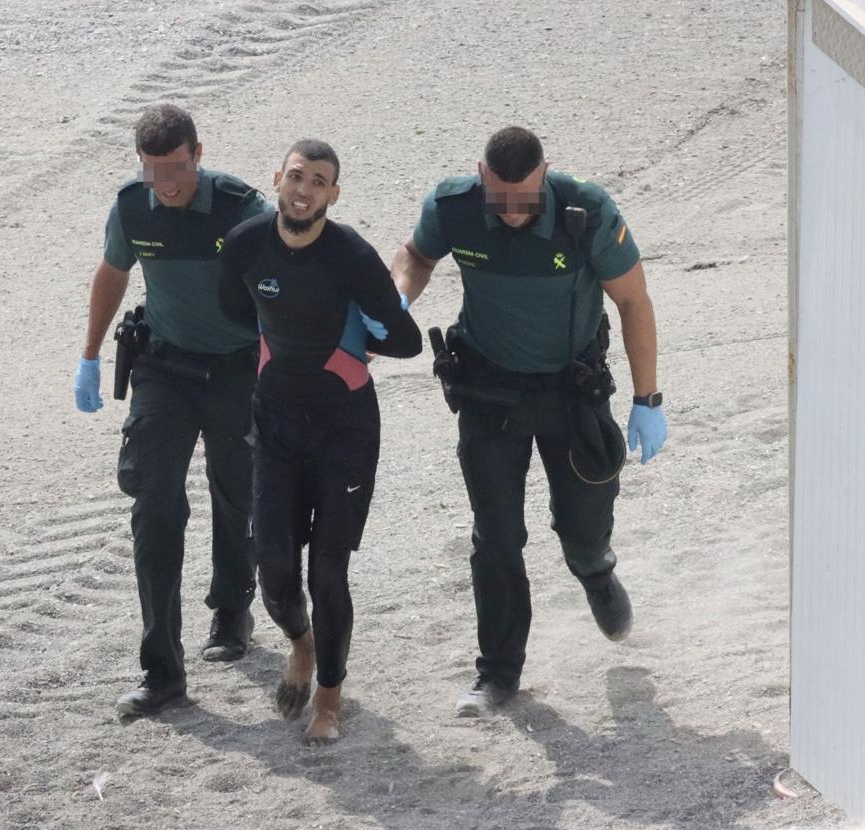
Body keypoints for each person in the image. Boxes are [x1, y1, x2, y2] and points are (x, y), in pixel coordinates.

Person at [392, 126, 668, 716]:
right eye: (500, 199)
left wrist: (648, 400)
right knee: (496, 538)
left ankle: (595, 570)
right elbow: (416, 255)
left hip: (572, 391)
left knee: (583, 524)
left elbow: (633, 302)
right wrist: (399, 298)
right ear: (481, 177)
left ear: (545, 173)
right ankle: (497, 674)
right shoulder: (454, 206)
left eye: (524, 198)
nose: (513, 213)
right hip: (488, 393)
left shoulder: (586, 213)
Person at [218, 139, 422, 744]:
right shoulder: (246, 244)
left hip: (345, 429)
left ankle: (328, 702)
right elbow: (234, 310)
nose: (304, 190)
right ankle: (301, 646)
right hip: (276, 420)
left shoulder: (352, 255)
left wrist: (360, 336)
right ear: (278, 179)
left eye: (319, 181)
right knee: (274, 569)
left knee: (328, 571)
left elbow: (405, 340)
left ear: (334, 195)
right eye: (297, 176)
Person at [73, 104, 270, 717]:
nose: (168, 183)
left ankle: (232, 609)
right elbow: (112, 273)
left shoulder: (244, 210)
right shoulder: (133, 207)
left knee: (235, 493)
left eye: (178, 168)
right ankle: (161, 670)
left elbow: (280, 291)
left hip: (238, 369)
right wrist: (89, 356)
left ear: (199, 154)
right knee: (155, 506)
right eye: (155, 169)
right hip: (165, 366)